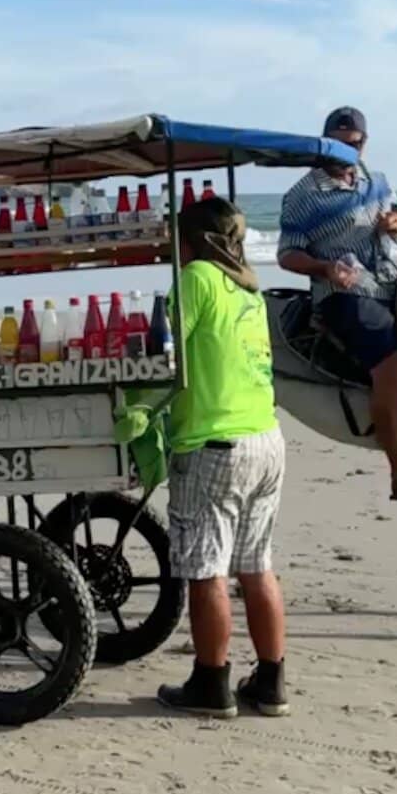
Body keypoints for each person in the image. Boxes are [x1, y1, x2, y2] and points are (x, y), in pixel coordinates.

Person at [157, 197, 289, 719]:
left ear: (193, 241)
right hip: (266, 438)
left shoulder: (196, 278)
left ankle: (211, 684)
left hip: (214, 445)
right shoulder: (248, 287)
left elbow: (165, 352)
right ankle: (271, 682)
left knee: (206, 568)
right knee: (256, 565)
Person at [277, 106, 397, 502]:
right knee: (390, 359)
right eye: (338, 144)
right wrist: (324, 268)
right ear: (325, 142)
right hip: (343, 294)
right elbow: (287, 254)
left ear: (364, 142)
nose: (348, 151)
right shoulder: (303, 195)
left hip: (390, 284)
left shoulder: (377, 180)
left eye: (355, 143)